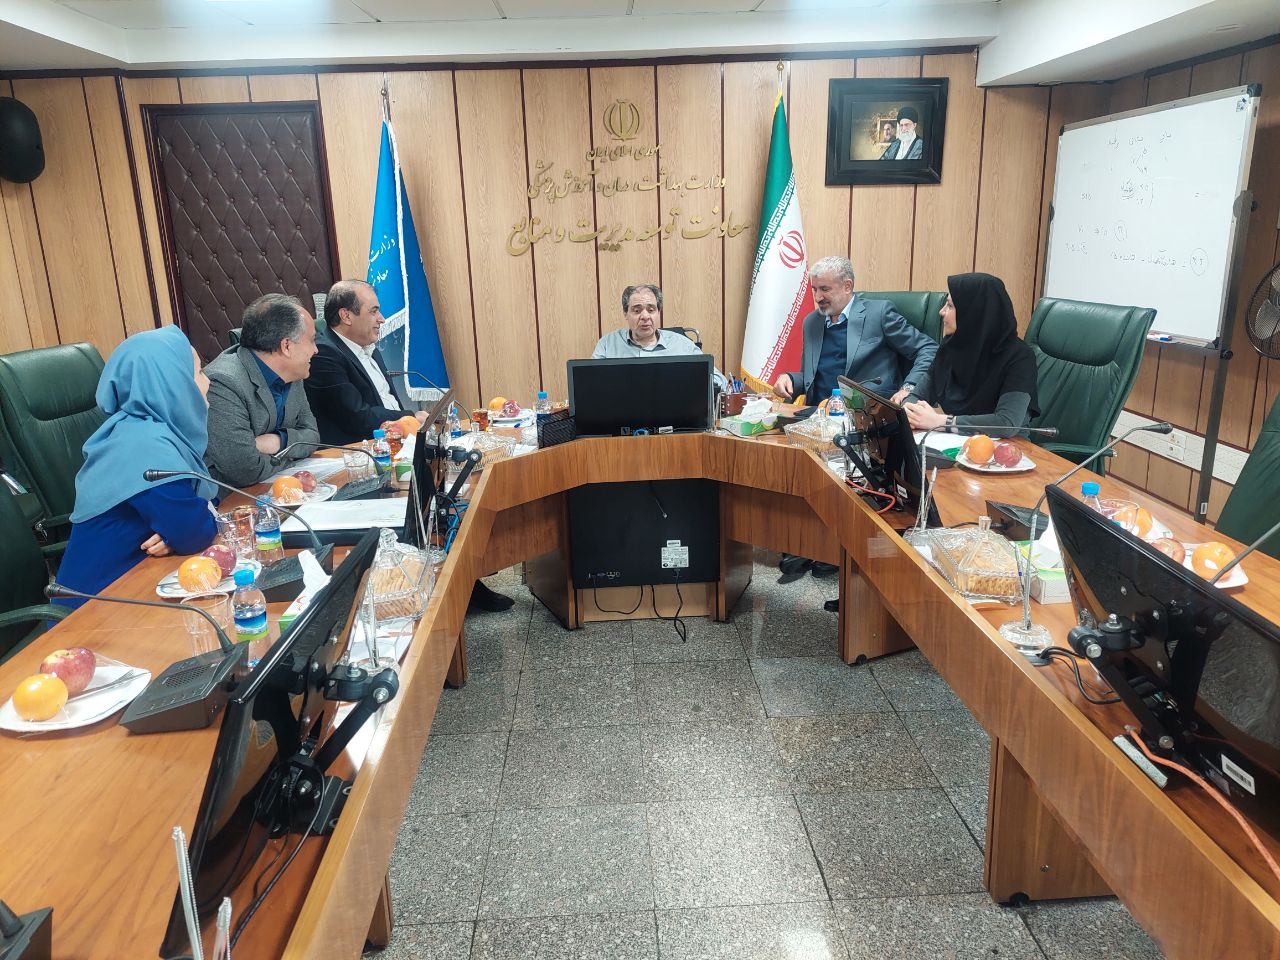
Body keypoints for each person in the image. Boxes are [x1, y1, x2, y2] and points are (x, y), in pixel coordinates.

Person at [772, 256, 937, 583]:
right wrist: (790, 378)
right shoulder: (812, 322)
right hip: (820, 415)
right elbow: (812, 376)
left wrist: (908, 389)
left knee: (837, 469)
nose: (818, 296)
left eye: (825, 289)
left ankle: (835, 546)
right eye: (815, 289)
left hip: (866, 419)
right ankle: (806, 541)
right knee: (775, 449)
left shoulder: (879, 314)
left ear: (847, 286)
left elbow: (927, 349)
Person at [54, 326, 218, 609]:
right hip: (93, 612)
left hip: (137, 586)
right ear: (172, 384)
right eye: (198, 372)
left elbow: (198, 512)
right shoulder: (143, 446)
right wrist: (180, 532)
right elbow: (193, 532)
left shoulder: (154, 431)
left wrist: (175, 534)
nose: (208, 381)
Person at [204, 294, 322, 488]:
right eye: (312, 341)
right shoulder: (223, 382)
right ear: (286, 346)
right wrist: (292, 455)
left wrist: (278, 441)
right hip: (237, 497)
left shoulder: (293, 372)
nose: (316, 350)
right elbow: (243, 470)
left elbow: (312, 436)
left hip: (285, 490)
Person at [903, 272, 1040, 432]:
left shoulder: (1020, 357)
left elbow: (1007, 423)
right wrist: (908, 411)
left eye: (950, 306)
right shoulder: (951, 347)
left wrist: (941, 422)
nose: (941, 311)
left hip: (1006, 444)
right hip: (953, 441)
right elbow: (917, 396)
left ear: (974, 312)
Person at [304, 279, 426, 446]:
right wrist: (409, 417)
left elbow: (388, 400)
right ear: (346, 316)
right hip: (357, 451)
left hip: (396, 440)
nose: (382, 319)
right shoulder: (324, 353)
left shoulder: (368, 345)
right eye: (373, 311)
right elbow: (356, 416)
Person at [592, 283, 729, 391]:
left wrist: (683, 380)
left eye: (651, 310)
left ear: (658, 313)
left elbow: (720, 382)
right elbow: (592, 383)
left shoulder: (682, 344)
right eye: (637, 310)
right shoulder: (607, 344)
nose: (645, 316)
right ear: (625, 314)